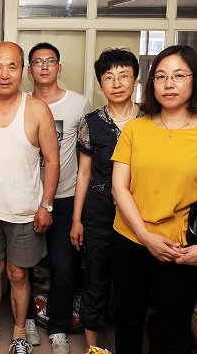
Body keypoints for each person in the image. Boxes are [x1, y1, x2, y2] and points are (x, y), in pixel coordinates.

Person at [110, 45, 197, 354]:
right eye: (160, 77)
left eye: (179, 76)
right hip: (131, 239)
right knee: (127, 323)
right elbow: (119, 187)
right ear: (151, 84)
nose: (168, 84)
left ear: (195, 80)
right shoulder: (135, 128)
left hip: (182, 248)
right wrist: (145, 237)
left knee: (175, 331)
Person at [0, 42, 60, 354]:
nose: (5, 74)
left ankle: (18, 336)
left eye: (12, 66)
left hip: (25, 212)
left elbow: (52, 160)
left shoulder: (37, 109)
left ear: (23, 71)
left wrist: (46, 205)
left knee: (18, 274)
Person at [69, 48, 142, 350]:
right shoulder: (91, 122)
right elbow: (84, 173)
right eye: (109, 77)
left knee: (132, 285)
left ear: (135, 80)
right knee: (95, 280)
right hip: (98, 214)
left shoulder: (151, 121)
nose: (117, 83)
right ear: (100, 84)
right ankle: (93, 347)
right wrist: (76, 219)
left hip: (140, 215)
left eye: (124, 75)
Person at [26, 42, 91, 353]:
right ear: (29, 70)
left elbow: (87, 156)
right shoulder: (21, 103)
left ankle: (58, 327)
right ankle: (26, 319)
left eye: (50, 61)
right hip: (27, 197)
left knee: (64, 266)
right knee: (23, 265)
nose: (44, 66)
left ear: (59, 67)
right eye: (37, 62)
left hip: (64, 198)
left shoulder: (79, 104)